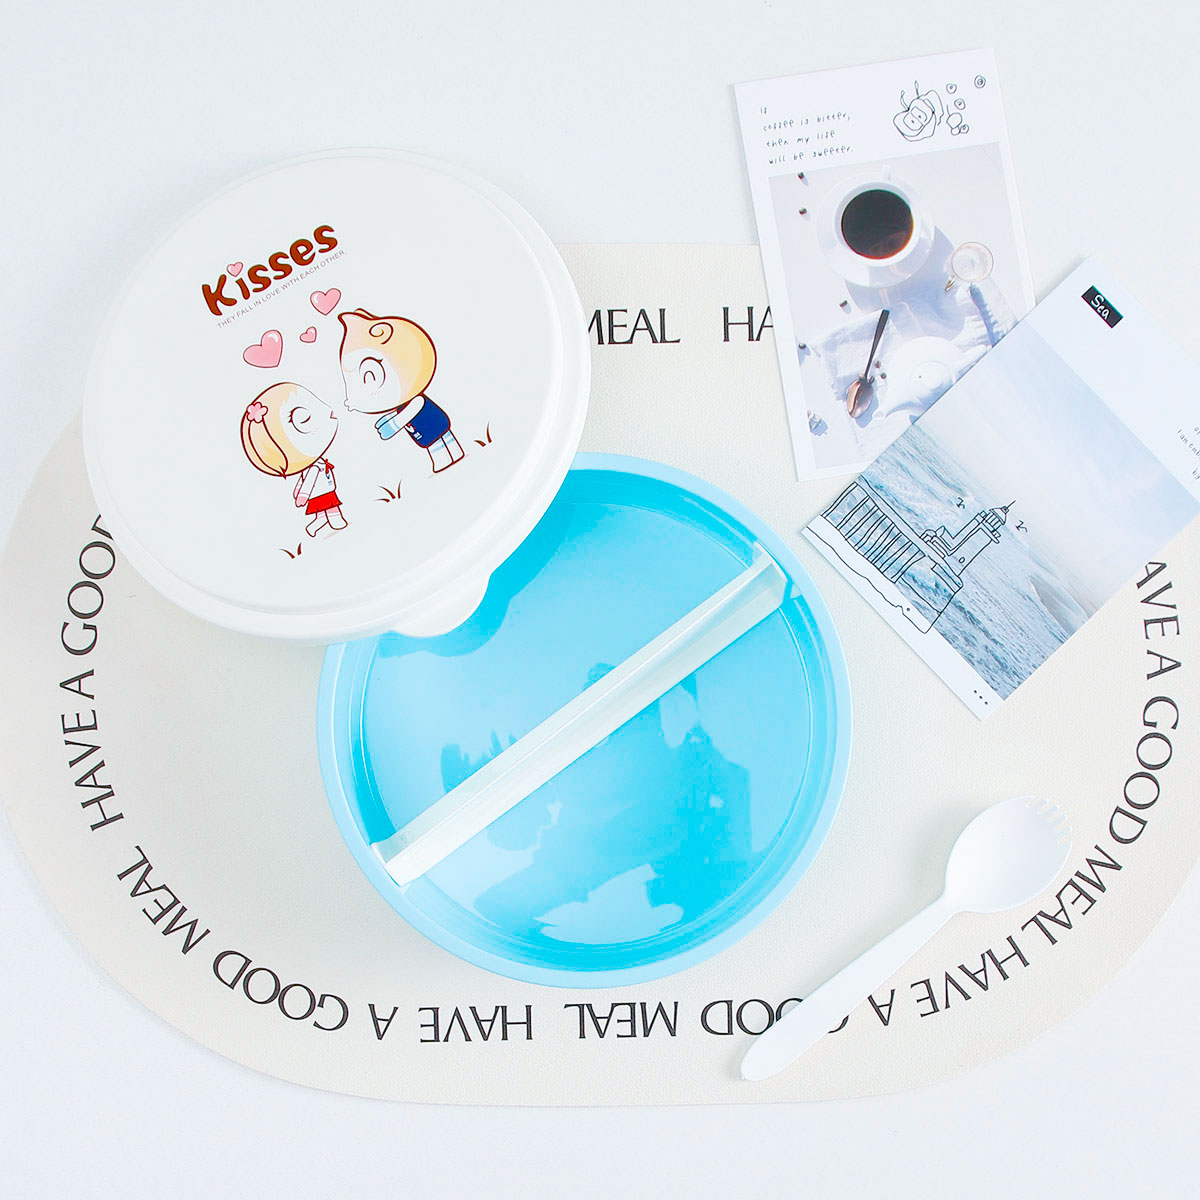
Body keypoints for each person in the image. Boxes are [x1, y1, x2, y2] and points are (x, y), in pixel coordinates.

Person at [337, 307, 465, 473]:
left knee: (440, 441)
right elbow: (399, 413)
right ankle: (448, 456)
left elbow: (410, 411)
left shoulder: (416, 400)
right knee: (434, 442)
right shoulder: (402, 404)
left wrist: (393, 426)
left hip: (433, 423)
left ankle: (447, 457)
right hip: (424, 429)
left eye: (370, 376)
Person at [240, 382, 348, 536]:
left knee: (321, 515)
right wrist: (302, 495)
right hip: (323, 493)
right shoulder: (315, 468)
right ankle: (337, 522)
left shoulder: (317, 464)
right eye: (304, 420)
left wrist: (298, 493)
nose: (330, 412)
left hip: (322, 492)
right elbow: (308, 481)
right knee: (331, 510)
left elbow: (302, 481)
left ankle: (313, 527)